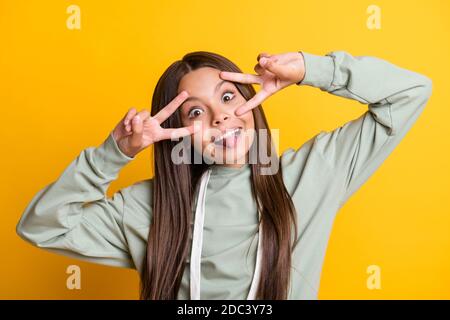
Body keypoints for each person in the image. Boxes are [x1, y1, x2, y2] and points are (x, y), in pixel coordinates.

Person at [16, 49, 433, 300]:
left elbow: (411, 92)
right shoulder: (150, 208)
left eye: (229, 96)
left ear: (251, 99)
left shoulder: (309, 176)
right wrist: (114, 153)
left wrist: (310, 69)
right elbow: (42, 226)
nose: (222, 117)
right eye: (196, 112)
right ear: (177, 133)